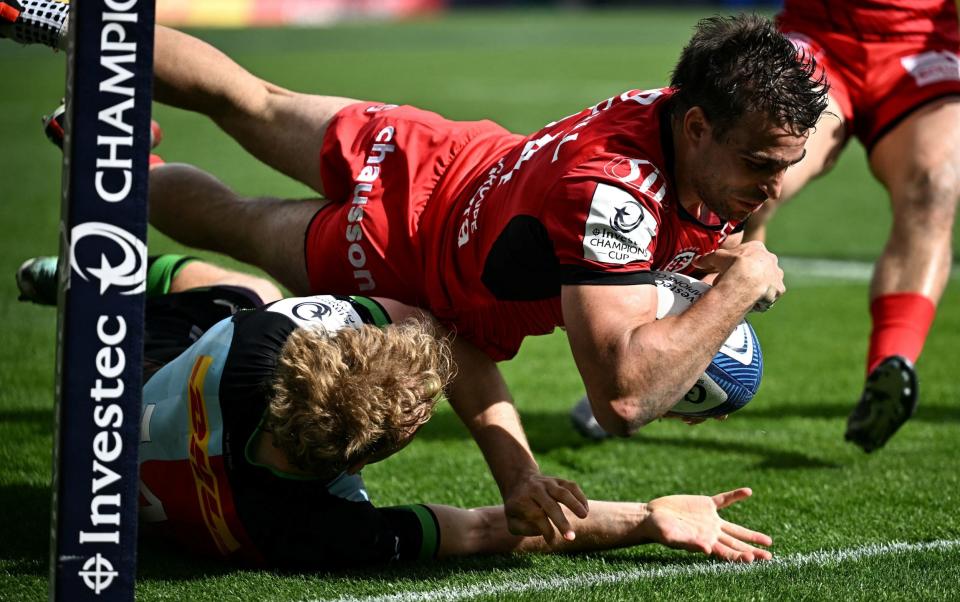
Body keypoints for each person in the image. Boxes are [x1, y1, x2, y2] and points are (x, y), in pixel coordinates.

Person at [1, 6, 826, 541]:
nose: (773, 189)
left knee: (252, 98)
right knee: (243, 224)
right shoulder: (613, 195)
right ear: (696, 127)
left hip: (435, 152)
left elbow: (640, 226)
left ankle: (78, 36)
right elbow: (625, 394)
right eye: (760, 164)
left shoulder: (676, 106)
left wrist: (707, 252)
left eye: (784, 165)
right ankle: (106, 154)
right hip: (401, 258)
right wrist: (739, 285)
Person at [17, 253, 774, 567]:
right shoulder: (314, 527)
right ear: (359, 459)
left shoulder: (268, 343)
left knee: (243, 295)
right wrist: (646, 517)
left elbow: (401, 314)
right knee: (247, 290)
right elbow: (486, 527)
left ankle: (103, 270)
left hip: (113, 379)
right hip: (106, 489)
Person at [741, 0, 960, 452]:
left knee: (934, 186)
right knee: (752, 175)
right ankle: (672, 351)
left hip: (922, 43)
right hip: (820, 36)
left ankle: (891, 370)